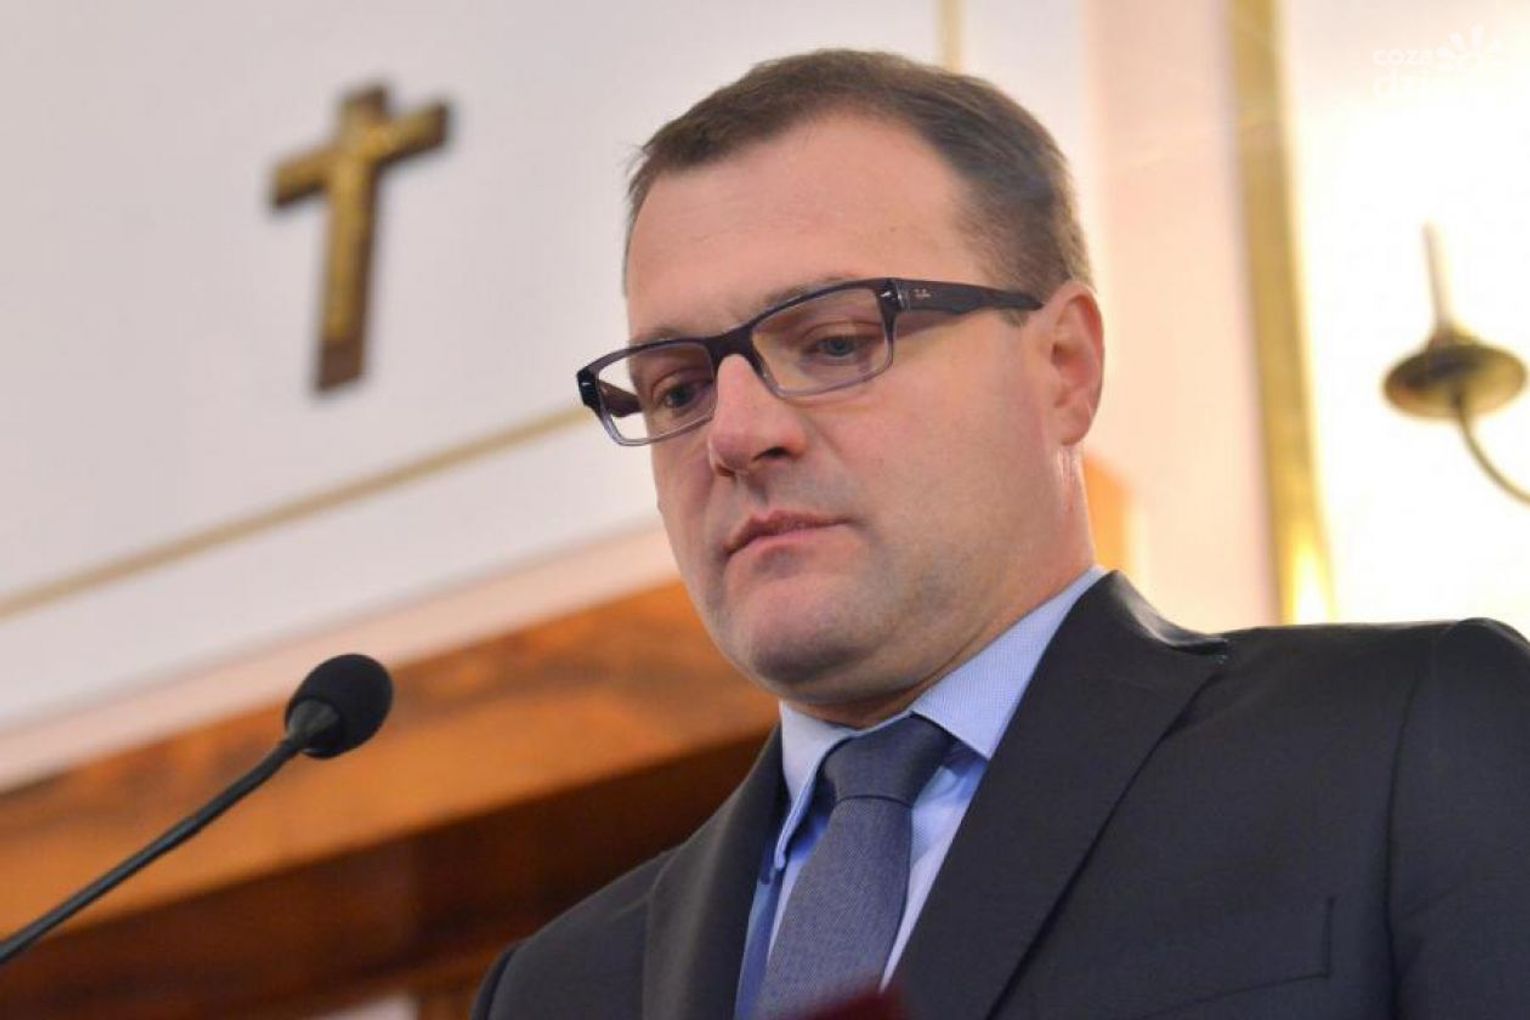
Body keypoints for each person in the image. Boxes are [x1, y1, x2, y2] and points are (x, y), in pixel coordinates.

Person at [474, 50, 1530, 1019]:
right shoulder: (555, 992)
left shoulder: (1403, 745)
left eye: (835, 342)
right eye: (677, 388)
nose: (735, 435)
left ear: (1064, 366)